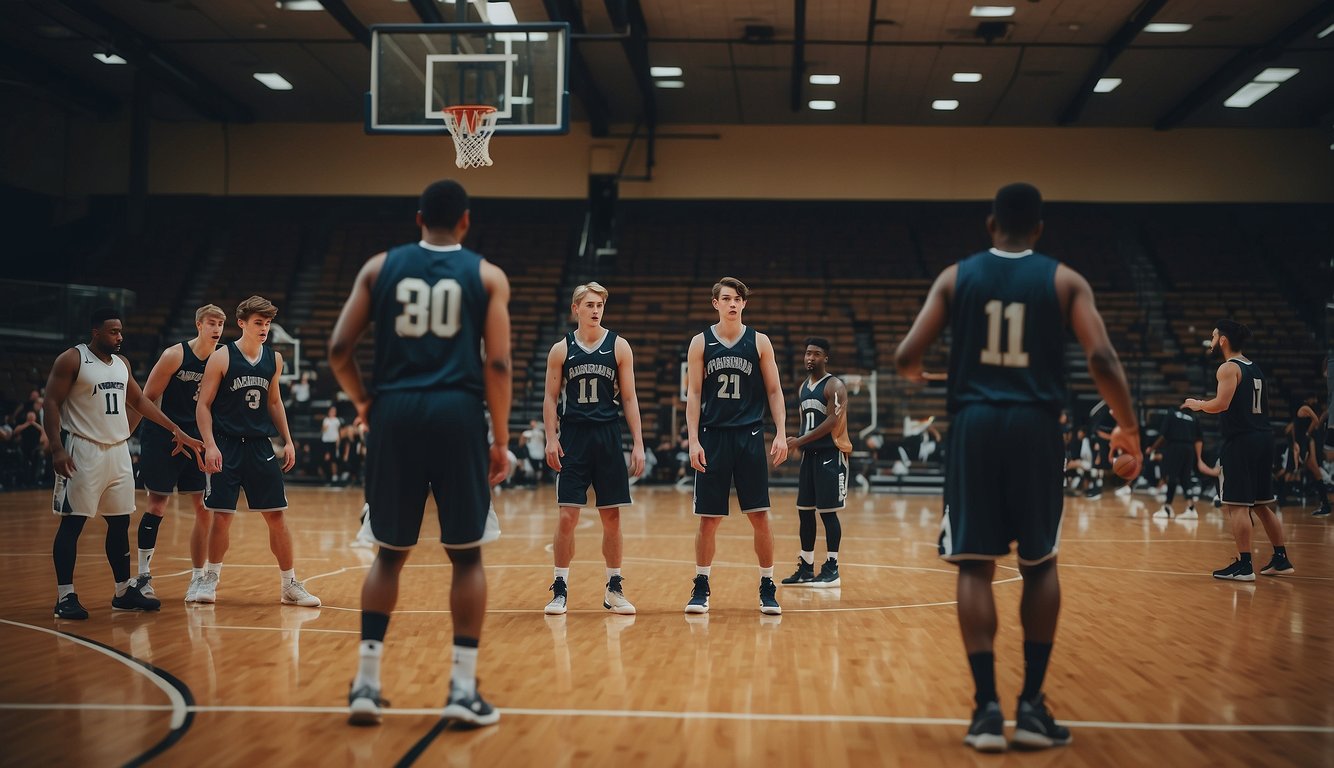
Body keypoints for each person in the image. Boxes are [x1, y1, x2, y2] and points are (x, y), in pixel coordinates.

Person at [895, 183, 1140, 752]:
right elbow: (1101, 356)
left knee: (975, 566)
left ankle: (985, 712)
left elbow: (907, 356)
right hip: (1035, 427)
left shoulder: (956, 278)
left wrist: (926, 377)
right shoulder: (1064, 280)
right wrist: (1128, 426)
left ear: (990, 226)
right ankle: (1032, 706)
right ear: (1039, 229)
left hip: (975, 425)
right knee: (1040, 562)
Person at [328, 179, 511, 728]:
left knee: (388, 552)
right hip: (457, 413)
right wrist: (500, 440)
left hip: (394, 412)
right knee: (467, 555)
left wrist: (364, 400)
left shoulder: (377, 267)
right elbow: (497, 366)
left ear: (417, 219)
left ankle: (365, 683)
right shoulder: (486, 275)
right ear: (465, 222)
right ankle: (460, 689)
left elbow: (339, 348)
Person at [45, 308, 205, 619]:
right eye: (113, 332)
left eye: (120, 331)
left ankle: (123, 591)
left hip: (118, 451)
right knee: (73, 522)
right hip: (83, 449)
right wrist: (56, 448)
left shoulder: (122, 364)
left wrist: (176, 429)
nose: (120, 337)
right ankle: (65, 596)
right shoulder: (72, 359)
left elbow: (141, 401)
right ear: (96, 332)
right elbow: (51, 401)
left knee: (119, 523)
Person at [195, 296, 320, 607]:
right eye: (258, 323)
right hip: (225, 443)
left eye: (267, 323)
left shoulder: (274, 359)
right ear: (242, 323)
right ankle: (210, 578)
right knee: (222, 517)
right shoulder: (222, 357)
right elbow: (203, 404)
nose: (264, 328)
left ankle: (289, 584)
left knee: (276, 516)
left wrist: (288, 440)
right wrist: (209, 444)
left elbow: (274, 402)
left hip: (259, 445)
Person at [684, 277, 788, 615]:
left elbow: (774, 391)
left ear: (744, 304)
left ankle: (767, 584)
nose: (732, 303)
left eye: (738, 298)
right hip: (713, 436)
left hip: (749, 435)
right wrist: (693, 440)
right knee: (708, 520)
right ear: (715, 303)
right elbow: (695, 394)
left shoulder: (759, 342)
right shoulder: (700, 342)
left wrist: (782, 432)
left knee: (759, 515)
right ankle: (701, 585)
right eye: (726, 298)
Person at [541, 282, 646, 615]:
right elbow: (550, 398)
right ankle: (560, 588)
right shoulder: (561, 349)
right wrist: (551, 437)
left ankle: (614, 588)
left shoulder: (619, 346)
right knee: (567, 516)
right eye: (589, 304)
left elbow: (629, 398)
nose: (596, 309)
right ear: (576, 309)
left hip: (607, 436)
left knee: (611, 517)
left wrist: (638, 444)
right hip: (573, 437)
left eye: (600, 304)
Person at [129, 304, 226, 603]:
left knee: (203, 508)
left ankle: (198, 577)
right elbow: (146, 400)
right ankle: (143, 576)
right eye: (211, 322)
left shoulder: (223, 358)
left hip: (197, 440)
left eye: (221, 324)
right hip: (165, 436)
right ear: (199, 324)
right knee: (157, 505)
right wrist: (124, 436)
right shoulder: (175, 355)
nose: (217, 328)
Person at [1183, 320, 1294, 580]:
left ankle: (1245, 565)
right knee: (1262, 504)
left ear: (1223, 339)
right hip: (1264, 437)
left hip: (1243, 440)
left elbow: (1221, 404)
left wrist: (1198, 404)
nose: (1211, 340)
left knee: (1236, 505)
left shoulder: (1227, 368)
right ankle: (1281, 557)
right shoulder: (1255, 368)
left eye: (1213, 336)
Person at [781, 337, 851, 588]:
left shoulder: (835, 386)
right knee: (805, 513)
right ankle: (807, 567)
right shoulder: (802, 388)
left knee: (828, 513)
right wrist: (800, 447)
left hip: (831, 455)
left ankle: (832, 567)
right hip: (810, 458)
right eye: (808, 353)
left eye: (816, 354)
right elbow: (804, 423)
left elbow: (832, 421)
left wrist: (798, 441)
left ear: (826, 358)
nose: (810, 358)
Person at [1145, 406, 1203, 519]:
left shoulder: (1172, 413)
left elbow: (1163, 436)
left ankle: (1167, 508)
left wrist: (1152, 448)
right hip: (1189, 449)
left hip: (1175, 447)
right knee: (1185, 478)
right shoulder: (1193, 417)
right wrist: (1199, 458)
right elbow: (1199, 439)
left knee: (1172, 476)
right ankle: (1191, 508)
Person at [320, 406, 341, 483]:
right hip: (326, 442)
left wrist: (338, 442)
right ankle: (326, 476)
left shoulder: (336, 421)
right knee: (326, 459)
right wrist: (325, 428)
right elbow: (323, 430)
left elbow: (338, 432)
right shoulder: (326, 420)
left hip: (333, 442)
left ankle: (334, 476)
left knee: (333, 460)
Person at [523, 419, 546, 486]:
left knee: (539, 469)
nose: (532, 425)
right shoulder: (527, 433)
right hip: (531, 454)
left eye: (534, 423)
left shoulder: (540, 433)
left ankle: (537, 482)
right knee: (532, 469)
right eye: (531, 423)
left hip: (539, 455)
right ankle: (532, 482)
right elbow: (522, 443)